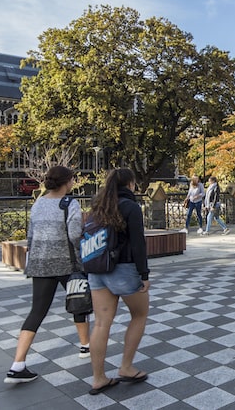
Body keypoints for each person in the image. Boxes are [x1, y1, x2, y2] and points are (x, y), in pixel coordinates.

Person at [5, 166, 90, 384]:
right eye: (72, 179)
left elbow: (31, 235)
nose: (73, 182)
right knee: (78, 302)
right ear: (66, 182)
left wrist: (33, 259)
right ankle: (85, 346)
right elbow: (73, 235)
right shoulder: (70, 203)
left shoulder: (39, 202)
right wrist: (81, 253)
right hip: (66, 263)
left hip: (40, 264)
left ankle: (18, 364)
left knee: (37, 311)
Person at [86, 168, 150, 395]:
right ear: (130, 184)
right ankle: (126, 367)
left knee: (101, 324)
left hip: (97, 269)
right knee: (139, 315)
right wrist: (144, 274)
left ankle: (98, 378)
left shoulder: (97, 207)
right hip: (123, 269)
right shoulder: (130, 207)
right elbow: (138, 244)